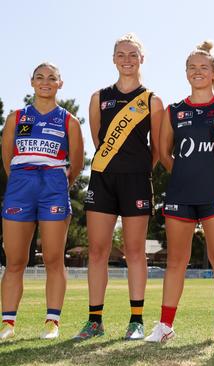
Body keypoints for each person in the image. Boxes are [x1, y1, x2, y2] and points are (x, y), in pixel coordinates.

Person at [144, 41, 214, 343]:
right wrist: (185, 175)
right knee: (176, 261)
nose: (198, 72)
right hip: (180, 196)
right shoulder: (174, 111)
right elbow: (165, 154)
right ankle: (165, 325)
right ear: (185, 73)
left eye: (204, 67)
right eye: (192, 68)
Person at [75, 33, 164, 341]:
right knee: (97, 250)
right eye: (121, 54)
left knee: (134, 251)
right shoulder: (98, 97)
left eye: (133, 54)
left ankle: (136, 320)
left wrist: (137, 171)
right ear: (114, 59)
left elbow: (157, 148)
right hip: (103, 178)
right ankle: (94, 321)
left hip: (137, 181)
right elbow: (100, 142)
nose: (127, 59)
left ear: (142, 59)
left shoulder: (152, 100)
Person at [0, 63, 84, 340]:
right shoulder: (16, 117)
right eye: (40, 77)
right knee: (15, 261)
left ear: (60, 84)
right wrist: (22, 181)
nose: (45, 82)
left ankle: (52, 322)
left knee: (53, 258)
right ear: (31, 82)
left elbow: (77, 163)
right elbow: (7, 159)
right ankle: (8, 324)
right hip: (20, 187)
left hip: (53, 187)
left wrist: (57, 185)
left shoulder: (69, 120)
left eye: (51, 78)